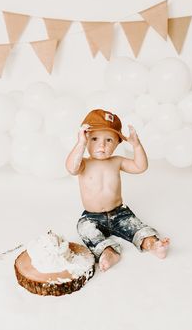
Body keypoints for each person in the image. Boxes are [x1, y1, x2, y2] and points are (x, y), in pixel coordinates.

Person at [65, 109, 170, 272]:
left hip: (119, 213)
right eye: (94, 139)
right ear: (86, 139)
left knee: (136, 226)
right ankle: (108, 252)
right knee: (84, 228)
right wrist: (80, 144)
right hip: (92, 216)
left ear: (117, 143)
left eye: (108, 140)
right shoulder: (84, 163)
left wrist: (136, 145)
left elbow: (140, 166)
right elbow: (71, 168)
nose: (101, 145)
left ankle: (152, 244)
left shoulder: (117, 161)